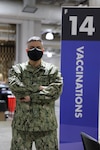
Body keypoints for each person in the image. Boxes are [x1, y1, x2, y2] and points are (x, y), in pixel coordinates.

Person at [8, 36, 63, 150]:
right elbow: (16, 88)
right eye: (32, 47)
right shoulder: (17, 70)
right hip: (22, 126)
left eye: (38, 47)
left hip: (46, 127)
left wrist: (31, 97)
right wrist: (40, 88)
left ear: (43, 50)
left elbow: (56, 91)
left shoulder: (52, 70)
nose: (35, 50)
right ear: (27, 51)